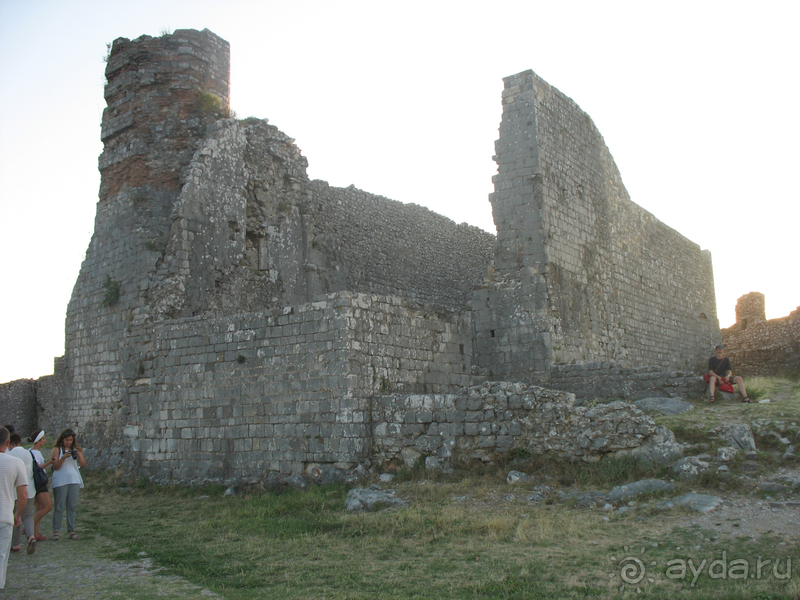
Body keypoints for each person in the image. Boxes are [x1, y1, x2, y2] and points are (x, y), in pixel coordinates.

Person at [0, 426, 28, 589]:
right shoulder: (16, 463)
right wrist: (18, 515)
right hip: (4, 516)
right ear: (8, 442)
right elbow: (23, 495)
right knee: (2, 555)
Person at [50, 428, 86, 541]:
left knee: (72, 506)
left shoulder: (76, 450)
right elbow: (55, 467)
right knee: (59, 506)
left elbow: (83, 465)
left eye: (71, 440)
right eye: (67, 440)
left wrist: (79, 455)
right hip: (60, 480)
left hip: (74, 480)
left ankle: (71, 529)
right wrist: (63, 458)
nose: (69, 442)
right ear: (62, 440)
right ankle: (56, 530)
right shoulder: (57, 450)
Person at [7, 434, 36, 554]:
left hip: (15, 492)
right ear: (20, 442)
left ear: (9, 443)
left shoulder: (9, 455)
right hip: (29, 490)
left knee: (15, 516)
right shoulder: (29, 453)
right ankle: (31, 536)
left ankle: (15, 544)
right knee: (28, 515)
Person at [27, 430, 52, 542]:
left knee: (39, 508)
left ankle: (36, 532)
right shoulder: (36, 453)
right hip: (39, 483)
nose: (45, 441)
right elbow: (39, 468)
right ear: (38, 441)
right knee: (47, 506)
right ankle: (29, 526)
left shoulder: (29, 451)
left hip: (34, 482)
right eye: (43, 439)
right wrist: (50, 462)